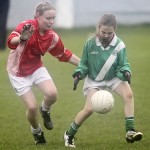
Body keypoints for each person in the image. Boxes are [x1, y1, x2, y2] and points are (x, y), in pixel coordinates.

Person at [64, 13, 143, 148]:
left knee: (128, 95)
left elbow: (123, 63)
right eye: (103, 32)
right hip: (94, 80)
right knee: (89, 109)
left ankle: (130, 131)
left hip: (113, 77)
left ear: (115, 31)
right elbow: (83, 64)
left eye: (109, 33)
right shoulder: (89, 44)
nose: (106, 35)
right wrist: (78, 74)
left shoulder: (119, 45)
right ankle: (69, 134)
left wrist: (126, 72)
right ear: (98, 28)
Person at [7, 2, 80, 145]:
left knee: (52, 94)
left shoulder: (52, 37)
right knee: (32, 107)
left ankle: (45, 110)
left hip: (36, 68)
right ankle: (36, 131)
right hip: (18, 72)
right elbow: (10, 42)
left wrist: (84, 64)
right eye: (48, 18)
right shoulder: (26, 26)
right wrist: (22, 38)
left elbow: (64, 54)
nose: (52, 21)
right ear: (37, 17)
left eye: (53, 18)